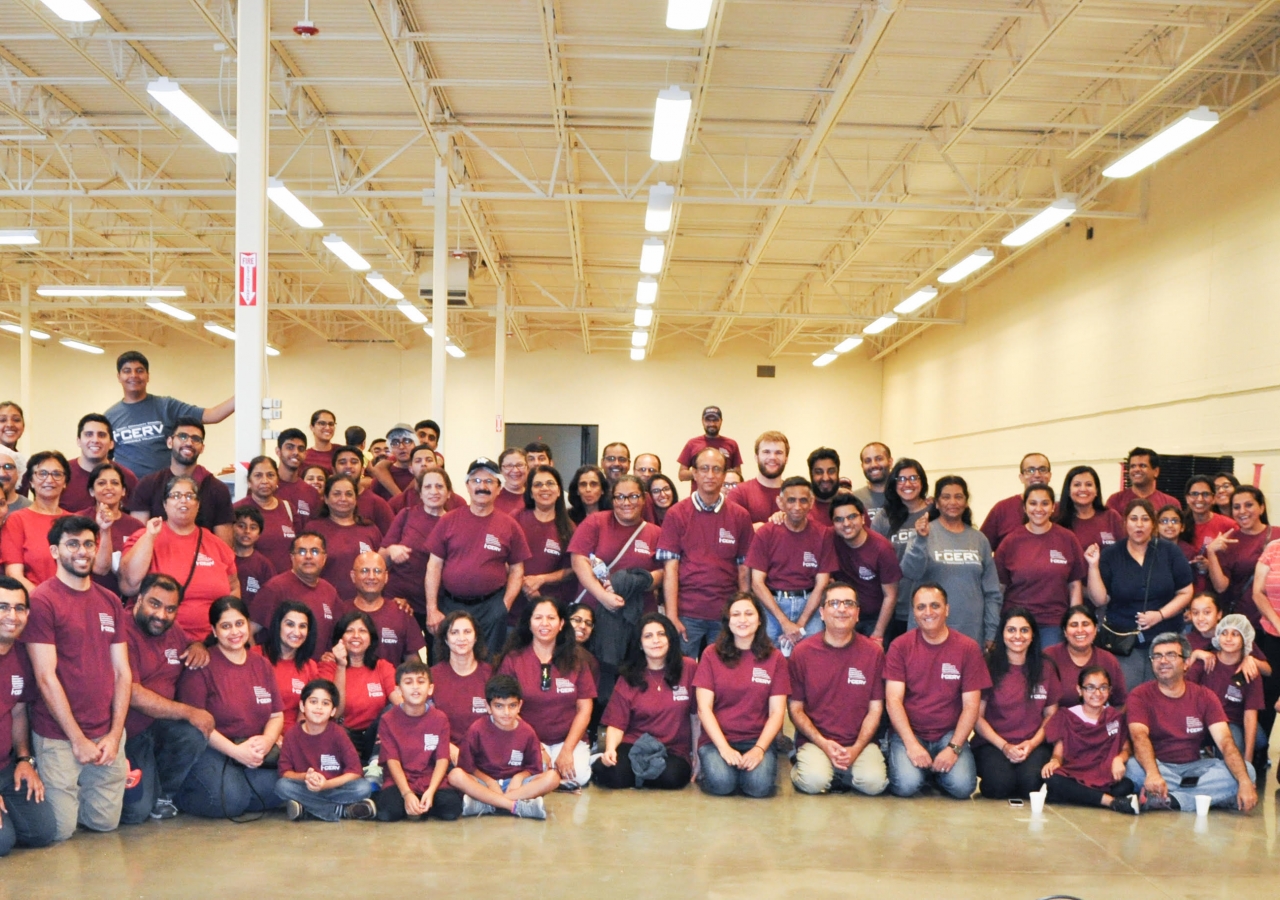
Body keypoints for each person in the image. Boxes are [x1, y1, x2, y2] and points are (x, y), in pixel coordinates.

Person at [23, 516, 131, 842]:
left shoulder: (110, 601)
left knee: (104, 824)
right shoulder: (42, 600)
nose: (82, 551)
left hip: (106, 736)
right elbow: (45, 676)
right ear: (55, 551)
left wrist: (115, 734)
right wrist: (76, 739)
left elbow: (123, 672)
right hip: (59, 736)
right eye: (72, 544)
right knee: (60, 831)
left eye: (88, 543)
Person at [175, 596, 284, 818]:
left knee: (287, 786)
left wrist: (267, 741)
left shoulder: (261, 664)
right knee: (231, 801)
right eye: (225, 626)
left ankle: (241, 788)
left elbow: (276, 714)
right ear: (214, 631)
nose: (234, 632)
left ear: (248, 624)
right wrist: (235, 752)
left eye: (239, 624)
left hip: (253, 749)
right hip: (213, 749)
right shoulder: (201, 664)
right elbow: (197, 725)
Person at [1124, 632, 1256, 812]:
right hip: (1158, 765)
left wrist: (1245, 782)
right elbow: (1139, 737)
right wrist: (1153, 773)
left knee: (1248, 772)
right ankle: (1206, 797)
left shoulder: (1205, 696)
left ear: (1186, 663)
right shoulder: (1139, 695)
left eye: (1171, 655)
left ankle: (1171, 799)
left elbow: (1225, 742)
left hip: (1195, 768)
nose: (1162, 661)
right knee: (1133, 768)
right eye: (1157, 656)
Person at [119, 574, 213, 824]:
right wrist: (188, 711)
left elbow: (189, 642)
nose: (161, 615)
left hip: (159, 729)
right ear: (138, 600)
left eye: (170, 609)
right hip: (129, 733)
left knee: (192, 735)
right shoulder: (123, 630)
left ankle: (164, 795)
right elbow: (134, 694)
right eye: (155, 604)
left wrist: (198, 646)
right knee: (134, 814)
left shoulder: (172, 630)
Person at [884, 584, 990, 799]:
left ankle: (933, 771)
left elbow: (972, 705)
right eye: (921, 607)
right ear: (914, 612)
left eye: (935, 606)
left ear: (947, 609)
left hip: (948, 734)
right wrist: (912, 745)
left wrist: (954, 748)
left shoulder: (967, 648)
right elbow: (893, 700)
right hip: (909, 733)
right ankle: (923, 769)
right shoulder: (900, 646)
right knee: (906, 785)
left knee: (962, 788)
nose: (928, 612)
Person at [787, 581, 889, 796]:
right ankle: (808, 764)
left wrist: (856, 748)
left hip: (859, 742)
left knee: (873, 784)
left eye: (848, 603)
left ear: (857, 613)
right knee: (813, 782)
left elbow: (876, 709)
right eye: (834, 603)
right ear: (822, 613)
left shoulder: (873, 653)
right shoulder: (802, 652)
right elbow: (795, 709)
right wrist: (823, 744)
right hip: (816, 741)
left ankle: (838, 771)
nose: (842, 609)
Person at [425, 458, 531, 655]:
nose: (482, 486)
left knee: (488, 665)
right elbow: (434, 565)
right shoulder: (448, 521)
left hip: (491, 608)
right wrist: (432, 608)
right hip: (450, 605)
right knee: (448, 662)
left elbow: (517, 569)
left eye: (489, 481)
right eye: (476, 481)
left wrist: (504, 605)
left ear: (499, 488)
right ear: (467, 486)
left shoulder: (509, 525)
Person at [1086, 499, 1194, 689]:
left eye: (1145, 519)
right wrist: (1093, 565)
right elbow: (1100, 599)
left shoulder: (1170, 551)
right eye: (1134, 519)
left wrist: (1159, 615)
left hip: (1166, 636)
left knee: (1165, 692)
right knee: (1128, 693)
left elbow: (1186, 592)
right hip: (1124, 640)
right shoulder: (1111, 554)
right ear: (1125, 523)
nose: (1139, 524)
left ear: (1153, 523)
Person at [657, 447, 755, 658]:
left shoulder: (740, 516)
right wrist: (672, 616)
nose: (710, 475)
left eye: (717, 469)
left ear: (724, 474)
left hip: (725, 613)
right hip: (687, 614)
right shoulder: (676, 514)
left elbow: (744, 570)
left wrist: (743, 612)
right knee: (682, 675)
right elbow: (670, 570)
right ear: (694, 473)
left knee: (723, 676)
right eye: (704, 469)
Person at [119, 476, 239, 641]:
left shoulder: (217, 544)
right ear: (164, 504)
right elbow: (128, 586)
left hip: (210, 643)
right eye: (176, 496)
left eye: (189, 496)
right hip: (156, 639)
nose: (183, 500)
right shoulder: (144, 537)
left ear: (197, 505)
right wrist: (150, 537)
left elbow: (233, 588)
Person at [692, 594, 788, 797]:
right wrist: (724, 748)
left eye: (749, 613)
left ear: (760, 619)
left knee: (758, 788)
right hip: (717, 740)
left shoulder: (775, 658)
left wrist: (760, 749)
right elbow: (704, 708)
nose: (742, 619)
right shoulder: (711, 654)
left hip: (756, 739)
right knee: (722, 784)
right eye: (735, 614)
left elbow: (777, 712)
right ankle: (720, 768)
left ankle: (752, 767)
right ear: (727, 621)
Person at [497, 598, 596, 788]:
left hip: (566, 740)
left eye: (551, 618)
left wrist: (567, 750)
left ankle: (559, 773)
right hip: (525, 739)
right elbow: (506, 708)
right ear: (529, 623)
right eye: (538, 618)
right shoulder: (513, 659)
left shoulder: (577, 660)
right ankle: (552, 780)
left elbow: (585, 708)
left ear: (561, 624)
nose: (544, 623)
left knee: (580, 777)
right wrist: (537, 747)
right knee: (529, 772)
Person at [592, 613, 698, 790]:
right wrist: (610, 749)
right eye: (648, 636)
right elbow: (617, 723)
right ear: (640, 644)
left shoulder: (689, 667)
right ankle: (633, 771)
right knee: (612, 774)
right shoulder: (629, 675)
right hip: (635, 745)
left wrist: (696, 754)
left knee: (673, 778)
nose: (655, 640)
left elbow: (697, 716)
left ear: (670, 639)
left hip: (673, 749)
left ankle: (636, 774)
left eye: (661, 634)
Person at [901, 475, 1002, 647]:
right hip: (927, 631)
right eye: (946, 497)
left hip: (971, 631)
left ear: (966, 502)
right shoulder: (924, 532)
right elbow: (910, 572)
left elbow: (992, 592)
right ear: (937, 503)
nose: (952, 502)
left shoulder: (979, 539)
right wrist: (920, 539)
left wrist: (991, 631)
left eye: (958, 496)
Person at [972, 608, 1058, 799]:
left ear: (1033, 634)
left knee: (1031, 785)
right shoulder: (987, 664)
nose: (1017, 636)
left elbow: (1051, 714)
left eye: (1024, 630)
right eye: (1011, 630)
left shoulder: (1046, 666)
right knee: (999, 785)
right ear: (1002, 634)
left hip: (1033, 742)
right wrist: (1004, 746)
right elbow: (976, 717)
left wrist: (1032, 743)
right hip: (993, 743)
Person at [106, 350, 233, 479]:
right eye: (127, 371)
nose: (133, 375)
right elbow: (104, 459)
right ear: (119, 377)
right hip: (128, 491)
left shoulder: (166, 406)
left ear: (148, 376)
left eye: (139, 371)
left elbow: (212, 415)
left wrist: (246, 392)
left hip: (166, 489)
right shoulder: (109, 418)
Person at [746, 477, 837, 655]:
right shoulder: (766, 532)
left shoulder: (822, 534)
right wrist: (784, 622)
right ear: (780, 502)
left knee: (812, 660)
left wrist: (801, 624)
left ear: (811, 503)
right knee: (767, 661)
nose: (797, 506)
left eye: (803, 500)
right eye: (791, 500)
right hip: (772, 606)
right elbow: (757, 582)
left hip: (809, 605)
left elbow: (822, 583)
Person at [446, 674, 558, 819]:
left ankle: (488, 804)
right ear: (488, 707)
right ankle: (514, 806)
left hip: (516, 786)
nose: (506, 713)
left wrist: (518, 777)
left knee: (553, 778)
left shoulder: (527, 732)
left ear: (520, 706)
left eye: (512, 705)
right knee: (455, 776)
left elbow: (533, 768)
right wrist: (489, 781)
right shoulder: (476, 729)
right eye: (499, 706)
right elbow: (468, 767)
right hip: (485, 785)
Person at [0, 576, 58, 855]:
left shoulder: (22, 655)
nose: (12, 616)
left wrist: (24, 759)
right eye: (2, 607)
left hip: (4, 768)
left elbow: (19, 710)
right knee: (3, 842)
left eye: (19, 608)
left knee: (42, 831)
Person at [994, 483, 1085, 647]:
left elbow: (1074, 585)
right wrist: (994, 625)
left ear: (1052, 507)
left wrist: (1074, 621)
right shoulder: (1010, 541)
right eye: (1033, 503)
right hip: (1017, 623)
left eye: (1045, 503)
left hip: (1054, 623)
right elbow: (1000, 588)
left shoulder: (1068, 539)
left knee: (1049, 671)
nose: (1039, 509)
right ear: (1024, 507)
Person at [1040, 666, 1139, 814]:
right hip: (1074, 772)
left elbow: (1126, 748)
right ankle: (1110, 801)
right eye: (1090, 688)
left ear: (1110, 690)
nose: (1097, 693)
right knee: (1052, 778)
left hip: (1102, 774)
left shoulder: (1114, 717)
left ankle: (1085, 797)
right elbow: (1058, 752)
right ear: (1080, 690)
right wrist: (1054, 761)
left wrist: (1119, 759)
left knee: (1126, 785)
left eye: (1103, 688)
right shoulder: (1067, 715)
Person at [374, 660, 464, 821]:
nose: (415, 687)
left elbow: (442, 759)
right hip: (399, 781)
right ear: (398, 690)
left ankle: (420, 804)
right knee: (388, 813)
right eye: (408, 682)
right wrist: (407, 793)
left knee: (451, 810)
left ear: (430, 688)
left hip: (430, 779)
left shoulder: (440, 718)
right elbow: (392, 761)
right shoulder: (388, 719)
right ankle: (405, 803)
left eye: (421, 682)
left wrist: (431, 791)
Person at [274, 679, 376, 821]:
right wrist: (305, 777)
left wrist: (326, 785)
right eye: (313, 702)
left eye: (325, 703)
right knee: (282, 786)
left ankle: (308, 808)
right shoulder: (292, 735)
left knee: (363, 787)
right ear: (302, 706)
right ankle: (340, 810)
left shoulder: (338, 733)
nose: (319, 708)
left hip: (335, 786)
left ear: (333, 711)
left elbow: (355, 771)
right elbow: (285, 773)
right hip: (307, 787)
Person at [127, 418, 234, 546]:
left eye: (196, 439)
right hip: (157, 560)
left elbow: (224, 547)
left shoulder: (217, 489)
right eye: (182, 436)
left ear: (202, 448)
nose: (189, 442)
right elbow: (137, 539)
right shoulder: (148, 485)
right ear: (170, 442)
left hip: (203, 562)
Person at [316, 611, 398, 762]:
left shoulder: (382, 666)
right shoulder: (328, 667)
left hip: (375, 736)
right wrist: (341, 665)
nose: (356, 636)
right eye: (349, 631)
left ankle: (374, 765)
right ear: (340, 638)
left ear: (371, 638)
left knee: (393, 711)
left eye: (362, 631)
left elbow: (399, 702)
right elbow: (335, 712)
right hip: (344, 735)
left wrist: (391, 729)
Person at [248, 533, 348, 652]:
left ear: (324, 558)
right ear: (292, 557)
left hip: (316, 669)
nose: (308, 556)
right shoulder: (275, 588)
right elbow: (249, 631)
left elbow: (338, 635)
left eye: (315, 551)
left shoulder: (330, 591)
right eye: (301, 552)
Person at [1186, 615, 1265, 764]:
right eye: (1224, 633)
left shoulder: (1250, 671)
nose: (1228, 638)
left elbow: (1250, 715)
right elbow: (1184, 695)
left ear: (1245, 640)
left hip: (1233, 720)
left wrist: (1247, 762)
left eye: (1235, 634)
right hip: (1203, 719)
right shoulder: (1206, 661)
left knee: (1255, 742)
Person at [381, 468, 452, 629]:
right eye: (427, 487)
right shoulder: (406, 515)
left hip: (437, 607)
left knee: (437, 653)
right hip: (398, 601)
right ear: (420, 493)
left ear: (448, 493)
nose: (433, 491)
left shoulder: (454, 523)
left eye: (439, 486)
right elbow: (380, 559)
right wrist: (391, 550)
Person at [871, 458, 931, 640]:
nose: (908, 484)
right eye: (901, 479)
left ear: (922, 481)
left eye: (913, 477)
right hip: (893, 606)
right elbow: (873, 559)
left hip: (927, 605)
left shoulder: (934, 513)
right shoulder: (884, 517)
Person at [830, 492, 901, 644]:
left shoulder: (882, 549)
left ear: (863, 518)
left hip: (875, 618)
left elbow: (891, 595)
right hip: (844, 614)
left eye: (852, 517)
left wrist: (878, 634)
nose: (846, 524)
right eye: (839, 519)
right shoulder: (830, 538)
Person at [304, 475, 383, 604]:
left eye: (349, 494)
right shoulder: (313, 528)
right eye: (336, 494)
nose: (343, 499)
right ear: (326, 499)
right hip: (324, 603)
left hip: (365, 605)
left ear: (356, 499)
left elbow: (382, 567)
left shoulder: (370, 529)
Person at [1206, 486, 1280, 621]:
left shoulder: (1277, 536)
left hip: (1276, 619)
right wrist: (1211, 552)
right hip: (1244, 620)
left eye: (1249, 505)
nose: (1242, 511)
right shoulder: (1229, 541)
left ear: (1261, 508)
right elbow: (1220, 587)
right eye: (1236, 507)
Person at [513, 465, 577, 619]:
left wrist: (541, 579)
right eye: (538, 485)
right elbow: (504, 559)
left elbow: (572, 569)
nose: (544, 488)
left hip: (550, 609)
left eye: (550, 483)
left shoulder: (570, 527)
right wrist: (525, 584)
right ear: (531, 492)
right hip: (515, 609)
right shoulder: (516, 519)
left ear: (559, 490)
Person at [2, 451, 72, 589]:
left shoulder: (75, 521)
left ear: (65, 482)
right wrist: (44, 601)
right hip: (34, 601)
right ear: (31, 481)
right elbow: (14, 574)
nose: (50, 480)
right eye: (42, 473)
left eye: (57, 474)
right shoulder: (17, 520)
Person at [430, 611, 494, 760]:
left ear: (476, 636)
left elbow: (505, 716)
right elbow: (425, 723)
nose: (461, 638)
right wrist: (451, 751)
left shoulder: (491, 674)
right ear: (446, 639)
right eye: (454, 632)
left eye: (467, 632)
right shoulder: (431, 676)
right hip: (444, 755)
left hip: (486, 755)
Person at [349, 551, 426, 666]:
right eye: (364, 571)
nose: (371, 577)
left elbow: (413, 664)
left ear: (386, 577)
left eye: (377, 571)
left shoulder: (401, 612)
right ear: (353, 576)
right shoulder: (341, 611)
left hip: (392, 683)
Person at [1043, 605, 1128, 710]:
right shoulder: (1049, 656)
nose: (1080, 630)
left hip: (1097, 724)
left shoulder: (1108, 660)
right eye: (1074, 625)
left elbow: (1120, 703)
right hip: (1057, 723)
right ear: (1065, 631)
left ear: (1095, 629)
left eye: (1086, 624)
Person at [253, 601, 320, 735]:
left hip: (293, 739)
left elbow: (307, 714)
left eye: (303, 626)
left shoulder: (310, 666)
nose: (297, 632)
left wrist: (293, 741)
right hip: (257, 736)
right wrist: (271, 737)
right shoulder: (255, 657)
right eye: (290, 624)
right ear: (278, 626)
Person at [84, 461, 144, 597]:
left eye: (115, 483)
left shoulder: (136, 527)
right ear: (91, 491)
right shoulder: (79, 521)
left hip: (124, 598)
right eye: (101, 483)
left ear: (123, 491)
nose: (109, 487)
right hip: (86, 595)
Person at [60, 414, 139, 512]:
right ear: (79, 441)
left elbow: (137, 518)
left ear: (111, 443)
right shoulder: (61, 474)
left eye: (101, 435)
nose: (95, 440)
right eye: (89, 434)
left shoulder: (127, 477)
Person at [232, 457, 298, 574]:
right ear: (249, 481)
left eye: (270, 475)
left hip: (284, 584)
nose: (265, 481)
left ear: (277, 479)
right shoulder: (236, 510)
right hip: (249, 582)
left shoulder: (289, 508)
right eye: (258, 475)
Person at [1054, 464, 1125, 552]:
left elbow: (1125, 550)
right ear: (1068, 491)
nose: (1083, 489)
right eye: (1077, 485)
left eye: (1089, 484)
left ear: (1096, 490)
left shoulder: (1111, 516)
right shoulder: (1056, 516)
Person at [728, 431, 789, 526]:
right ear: (756, 457)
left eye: (779, 453)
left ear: (786, 459)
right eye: (766, 452)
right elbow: (729, 532)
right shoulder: (739, 493)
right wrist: (751, 530)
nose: (772, 457)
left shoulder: (795, 496)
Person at [1182, 475, 1235, 582]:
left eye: (1205, 494)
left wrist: (1211, 566)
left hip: (1215, 592)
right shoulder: (1179, 524)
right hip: (1183, 589)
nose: (1200, 499)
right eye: (1194, 494)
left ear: (1213, 498)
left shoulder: (1229, 525)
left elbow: (1236, 564)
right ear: (1187, 498)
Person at [331, 446, 395, 534]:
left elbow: (391, 538)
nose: (348, 466)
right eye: (342, 462)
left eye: (354, 462)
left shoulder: (377, 504)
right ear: (333, 470)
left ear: (362, 470)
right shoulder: (327, 501)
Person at [1105, 447, 1180, 516]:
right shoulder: (1115, 501)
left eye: (1142, 466)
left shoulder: (1170, 503)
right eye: (1133, 466)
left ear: (1156, 471)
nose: (1136, 470)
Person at [677, 406, 742, 483]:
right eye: (708, 420)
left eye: (715, 420)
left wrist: (720, 471)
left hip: (725, 493)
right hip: (698, 493)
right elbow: (681, 475)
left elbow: (738, 475)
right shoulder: (692, 443)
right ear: (702, 421)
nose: (712, 424)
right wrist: (702, 471)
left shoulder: (732, 444)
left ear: (721, 421)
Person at [230, 506, 276, 606]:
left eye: (253, 527)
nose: (247, 531)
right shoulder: (224, 559)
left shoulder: (265, 566)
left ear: (259, 533)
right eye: (241, 526)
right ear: (232, 527)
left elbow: (271, 599)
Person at [387, 444, 452, 515]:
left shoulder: (456, 501)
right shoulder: (396, 503)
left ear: (437, 466)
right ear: (411, 469)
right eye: (418, 461)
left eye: (429, 460)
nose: (423, 464)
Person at [274, 428, 321, 520]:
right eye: (290, 447)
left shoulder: (312, 493)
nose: (296, 452)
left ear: (305, 454)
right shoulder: (265, 487)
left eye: (301, 449)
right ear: (278, 451)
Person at [369, 425, 418, 503]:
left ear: (416, 444)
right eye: (395, 443)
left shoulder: (424, 473)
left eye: (407, 441)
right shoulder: (381, 478)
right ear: (390, 448)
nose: (401, 447)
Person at [852, 442, 893, 514]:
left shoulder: (904, 495)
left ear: (890, 462)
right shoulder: (854, 498)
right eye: (867, 461)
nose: (873, 465)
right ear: (862, 466)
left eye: (879, 459)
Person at [805, 447, 841, 526]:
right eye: (819, 472)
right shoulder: (801, 509)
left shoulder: (853, 507)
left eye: (831, 471)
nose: (825, 478)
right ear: (811, 475)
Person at [303, 410, 337, 474]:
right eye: (322, 423)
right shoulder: (305, 456)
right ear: (312, 427)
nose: (327, 428)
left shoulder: (341, 452)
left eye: (331, 424)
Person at [0, 402, 25, 483]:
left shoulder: (23, 461)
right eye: (2, 420)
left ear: (23, 426)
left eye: (16, 420)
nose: (10, 424)